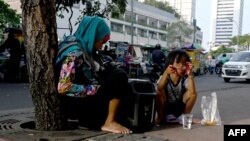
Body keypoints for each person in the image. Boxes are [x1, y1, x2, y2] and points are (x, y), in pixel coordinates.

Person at [56, 16, 132, 134]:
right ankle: (109, 122)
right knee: (120, 76)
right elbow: (63, 87)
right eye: (101, 41)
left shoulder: (84, 50)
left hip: (84, 104)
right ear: (93, 36)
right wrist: (95, 89)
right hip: (77, 109)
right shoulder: (74, 53)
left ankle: (113, 119)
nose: (101, 46)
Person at [155, 49, 199, 125]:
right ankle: (160, 117)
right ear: (170, 63)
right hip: (166, 109)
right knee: (158, 92)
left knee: (193, 93)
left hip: (179, 109)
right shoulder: (165, 76)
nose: (181, 66)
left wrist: (190, 75)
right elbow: (159, 88)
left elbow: (192, 93)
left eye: (184, 63)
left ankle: (185, 117)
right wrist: (166, 73)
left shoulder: (185, 78)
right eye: (178, 62)